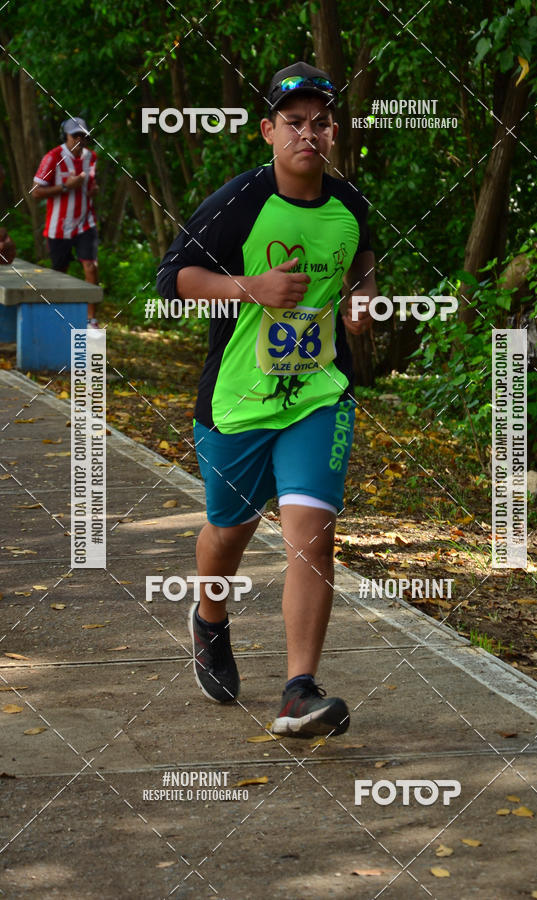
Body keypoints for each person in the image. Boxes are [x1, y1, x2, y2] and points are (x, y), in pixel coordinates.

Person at [157, 61, 375, 738]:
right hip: (237, 404)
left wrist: (363, 299)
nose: (309, 133)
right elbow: (173, 281)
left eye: (320, 122)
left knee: (312, 534)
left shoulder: (352, 205)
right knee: (229, 532)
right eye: (294, 123)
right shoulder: (237, 204)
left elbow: (361, 260)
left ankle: (298, 691)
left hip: (318, 397)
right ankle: (210, 617)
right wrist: (249, 287)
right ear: (268, 131)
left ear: (333, 130)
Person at [31, 117, 100, 326]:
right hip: (58, 225)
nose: (79, 139)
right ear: (66, 136)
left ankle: (91, 318)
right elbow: (35, 192)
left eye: (83, 135)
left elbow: (91, 185)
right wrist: (65, 187)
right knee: (60, 271)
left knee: (91, 266)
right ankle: (57, 315)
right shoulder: (53, 158)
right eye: (75, 135)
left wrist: (92, 189)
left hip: (85, 222)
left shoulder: (92, 157)